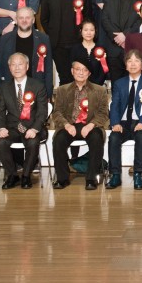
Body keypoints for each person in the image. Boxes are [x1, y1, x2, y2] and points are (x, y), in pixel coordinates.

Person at [50, 56, 109, 190]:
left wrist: (90, 125)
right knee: (58, 140)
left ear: (89, 73)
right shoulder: (62, 90)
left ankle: (91, 178)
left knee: (96, 138)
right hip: (69, 125)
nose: (81, 73)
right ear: (72, 71)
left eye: (84, 70)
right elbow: (57, 112)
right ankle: (62, 178)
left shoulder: (100, 90)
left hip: (91, 125)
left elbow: (103, 113)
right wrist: (66, 125)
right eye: (78, 69)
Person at [0, 52, 49, 189]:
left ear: (27, 66)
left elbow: (43, 112)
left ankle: (26, 176)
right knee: (0, 142)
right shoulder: (4, 87)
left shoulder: (38, 86)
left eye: (20, 64)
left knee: (33, 141)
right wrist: (1, 128)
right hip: (12, 128)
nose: (17, 67)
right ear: (9, 67)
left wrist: (35, 128)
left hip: (32, 127)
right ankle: (12, 175)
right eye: (13, 64)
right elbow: (0, 111)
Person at [106, 50, 142, 190]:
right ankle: (115, 175)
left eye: (136, 61)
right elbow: (114, 104)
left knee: (141, 136)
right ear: (126, 65)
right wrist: (115, 123)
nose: (133, 64)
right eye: (129, 61)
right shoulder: (119, 83)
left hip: (140, 122)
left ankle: (138, 174)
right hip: (122, 123)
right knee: (114, 138)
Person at [39, 0, 93, 84]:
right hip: (58, 46)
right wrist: (53, 34)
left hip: (79, 44)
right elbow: (44, 19)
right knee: (64, 78)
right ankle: (65, 104)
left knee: (81, 77)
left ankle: (82, 104)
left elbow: (88, 16)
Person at [0, 7, 54, 98]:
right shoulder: (5, 39)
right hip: (11, 91)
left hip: (37, 91)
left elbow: (48, 69)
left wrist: (48, 94)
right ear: (16, 20)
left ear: (33, 20)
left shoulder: (44, 39)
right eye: (21, 18)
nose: (24, 20)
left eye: (27, 17)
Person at [67, 19, 107, 85]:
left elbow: (103, 71)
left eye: (91, 30)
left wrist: (95, 86)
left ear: (95, 32)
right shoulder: (75, 49)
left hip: (96, 87)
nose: (89, 33)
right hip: (78, 86)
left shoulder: (101, 49)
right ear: (81, 31)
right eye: (85, 30)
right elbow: (71, 69)